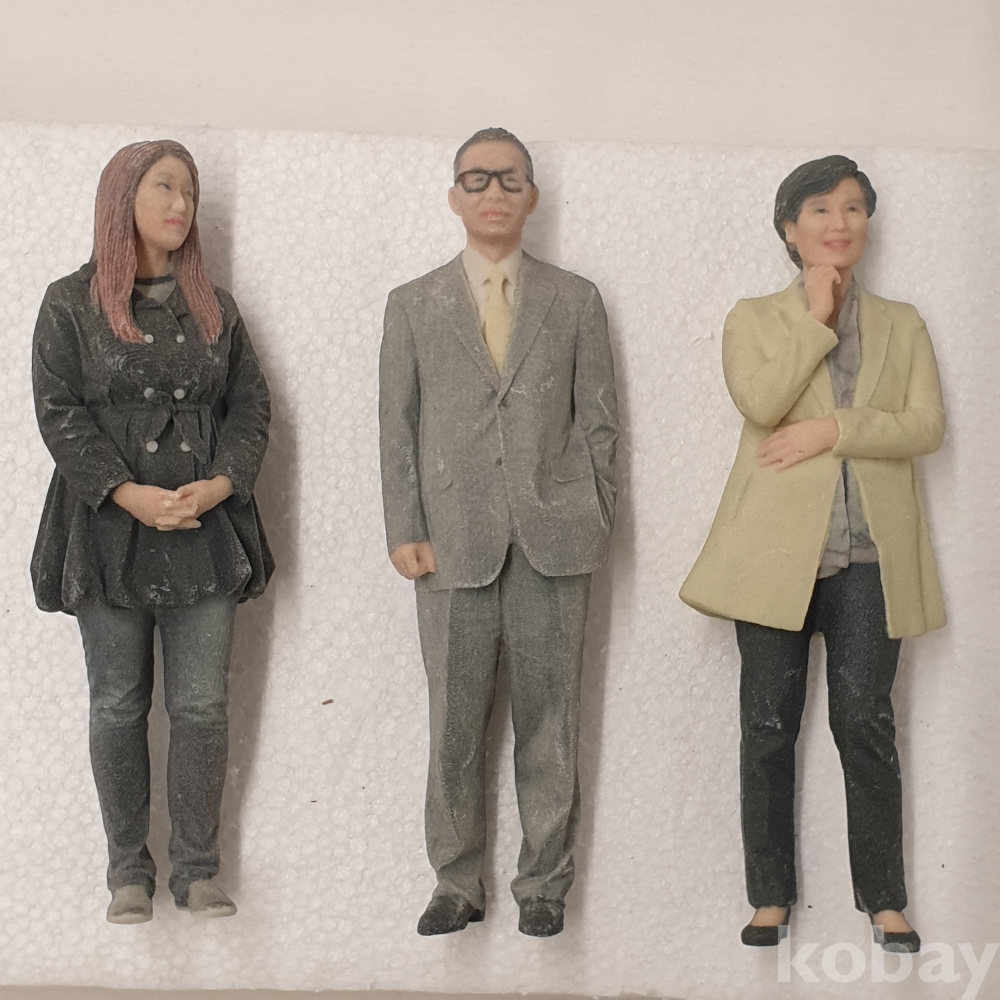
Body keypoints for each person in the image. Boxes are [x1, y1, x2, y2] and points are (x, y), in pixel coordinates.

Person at [681, 155, 945, 953]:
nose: (840, 222)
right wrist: (817, 315)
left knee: (865, 724)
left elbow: (925, 426)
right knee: (767, 727)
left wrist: (835, 430)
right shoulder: (754, 317)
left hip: (870, 558)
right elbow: (761, 402)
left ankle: (884, 900)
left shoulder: (902, 322)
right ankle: (770, 897)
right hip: (771, 557)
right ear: (789, 228)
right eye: (821, 209)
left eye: (854, 208)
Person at [379, 128, 618, 937]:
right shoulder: (413, 304)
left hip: (556, 540)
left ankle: (544, 884)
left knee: (551, 719)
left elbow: (600, 422)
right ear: (454, 197)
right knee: (454, 723)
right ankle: (456, 883)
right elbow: (396, 425)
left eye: (509, 179)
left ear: (531, 197)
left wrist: (595, 513)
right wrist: (405, 526)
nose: (492, 192)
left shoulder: (575, 300)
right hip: (450, 543)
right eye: (476, 179)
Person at [31, 140, 274, 924]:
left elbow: (252, 405)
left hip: (205, 532)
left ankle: (198, 870)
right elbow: (58, 411)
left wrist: (223, 482)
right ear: (122, 197)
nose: (181, 205)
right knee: (117, 703)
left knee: (202, 706)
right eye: (164, 187)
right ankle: (127, 871)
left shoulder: (216, 308)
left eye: (190, 192)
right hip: (107, 532)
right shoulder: (69, 304)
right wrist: (126, 493)